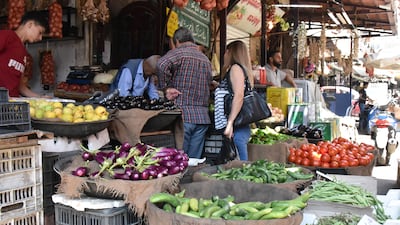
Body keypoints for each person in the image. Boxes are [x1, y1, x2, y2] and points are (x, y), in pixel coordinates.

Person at [157, 27, 213, 159]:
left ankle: (180, 180)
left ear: (177, 41)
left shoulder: (179, 53)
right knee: (193, 160)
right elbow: (210, 81)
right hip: (202, 117)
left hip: (183, 115)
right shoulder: (205, 59)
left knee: (179, 159)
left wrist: (166, 87)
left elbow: (161, 64)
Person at [0, 11, 47, 97]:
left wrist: (40, 98)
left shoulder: (23, 52)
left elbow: (21, 87)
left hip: (11, 105)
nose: (40, 38)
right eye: (40, 32)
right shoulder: (7, 36)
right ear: (30, 25)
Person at [221, 40, 254, 160]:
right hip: (237, 126)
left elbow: (239, 96)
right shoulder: (239, 69)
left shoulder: (235, 69)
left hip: (236, 126)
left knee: (240, 166)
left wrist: (230, 123)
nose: (224, 55)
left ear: (230, 52)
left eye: (225, 52)